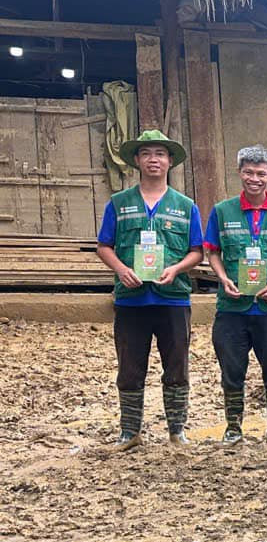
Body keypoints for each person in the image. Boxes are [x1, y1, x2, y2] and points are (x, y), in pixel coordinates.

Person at [94, 130, 203, 450]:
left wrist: (176, 269)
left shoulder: (185, 206)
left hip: (173, 297)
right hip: (131, 300)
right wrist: (121, 269)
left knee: (177, 366)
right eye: (146, 154)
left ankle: (177, 431)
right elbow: (104, 246)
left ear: (170, 161)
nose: (153, 159)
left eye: (160, 154)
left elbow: (197, 251)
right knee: (130, 368)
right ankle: (130, 432)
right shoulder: (119, 203)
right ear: (137, 161)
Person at [204, 145, 267, 448]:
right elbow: (213, 252)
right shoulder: (222, 211)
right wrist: (222, 278)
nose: (254, 179)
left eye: (261, 173)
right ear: (239, 173)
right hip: (232, 307)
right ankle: (233, 428)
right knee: (232, 370)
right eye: (248, 172)